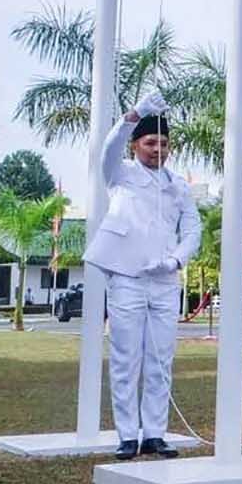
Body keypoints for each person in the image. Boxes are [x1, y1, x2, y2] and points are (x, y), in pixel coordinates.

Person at [84, 92, 202, 460]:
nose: (158, 149)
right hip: (128, 279)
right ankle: (126, 435)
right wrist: (135, 115)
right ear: (136, 145)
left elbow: (194, 229)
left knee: (160, 358)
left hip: (165, 281)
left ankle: (154, 433)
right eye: (151, 142)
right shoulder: (120, 175)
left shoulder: (178, 185)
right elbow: (109, 146)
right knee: (125, 358)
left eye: (165, 144)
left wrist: (177, 261)